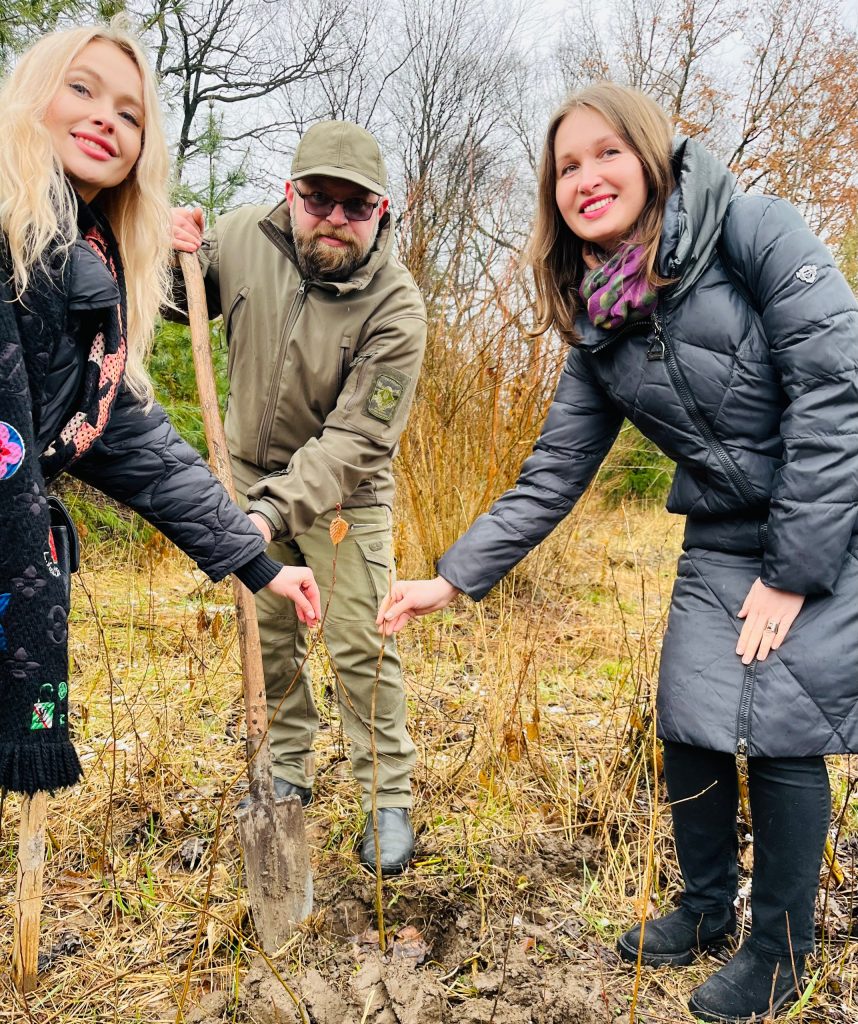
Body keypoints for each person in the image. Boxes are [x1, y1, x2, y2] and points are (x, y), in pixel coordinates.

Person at [377, 82, 858, 1022]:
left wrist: (793, 574)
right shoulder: (599, 322)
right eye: (566, 167)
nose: (587, 177)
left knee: (784, 722)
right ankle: (707, 907)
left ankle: (783, 948)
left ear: (649, 156)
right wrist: (451, 578)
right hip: (722, 527)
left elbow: (836, 390)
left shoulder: (754, 229)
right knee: (690, 715)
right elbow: (553, 472)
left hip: (825, 509)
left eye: (606, 154)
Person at [0, 24, 321, 799]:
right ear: (29, 95)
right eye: (81, 89)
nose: (107, 117)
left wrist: (254, 560)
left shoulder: (86, 257)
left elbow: (123, 432)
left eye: (131, 113)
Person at [169, 121, 427, 875]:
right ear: (291, 192)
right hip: (246, 474)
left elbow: (355, 440)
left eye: (356, 205)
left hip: (346, 495)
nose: (335, 218)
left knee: (358, 640)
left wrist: (270, 514)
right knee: (269, 636)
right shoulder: (244, 236)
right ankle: (286, 772)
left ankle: (386, 795)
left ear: (382, 210)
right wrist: (165, 249)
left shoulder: (397, 307)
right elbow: (179, 303)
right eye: (319, 199)